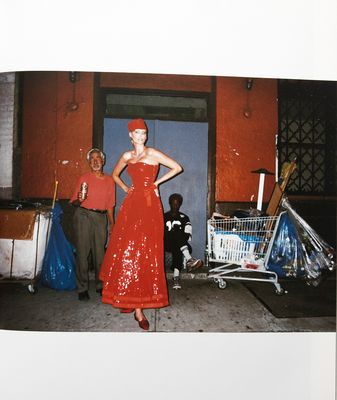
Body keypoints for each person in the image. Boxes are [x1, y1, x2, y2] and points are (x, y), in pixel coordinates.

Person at [99, 118, 182, 331]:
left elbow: (176, 167)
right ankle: (131, 299)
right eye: (137, 133)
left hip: (150, 204)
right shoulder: (127, 156)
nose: (142, 136)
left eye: (144, 133)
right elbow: (115, 175)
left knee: (146, 252)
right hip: (132, 205)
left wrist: (156, 183)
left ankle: (139, 308)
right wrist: (126, 188)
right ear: (130, 135)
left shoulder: (152, 153)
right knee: (128, 250)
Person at [70, 148, 115, 301]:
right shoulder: (84, 178)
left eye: (98, 158)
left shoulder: (110, 180)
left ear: (103, 161)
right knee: (83, 253)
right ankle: (82, 288)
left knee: (100, 253)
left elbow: (110, 205)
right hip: (83, 215)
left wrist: (112, 224)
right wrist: (80, 199)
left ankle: (100, 285)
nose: (95, 161)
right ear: (89, 163)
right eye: (92, 159)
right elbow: (74, 202)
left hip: (101, 218)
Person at [164, 193, 203, 290]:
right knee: (176, 234)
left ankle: (176, 277)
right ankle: (189, 260)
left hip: (181, 244)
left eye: (177, 204)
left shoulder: (185, 218)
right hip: (166, 243)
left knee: (177, 245)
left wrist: (177, 235)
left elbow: (187, 236)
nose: (175, 206)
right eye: (173, 204)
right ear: (170, 203)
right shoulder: (163, 216)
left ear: (180, 204)